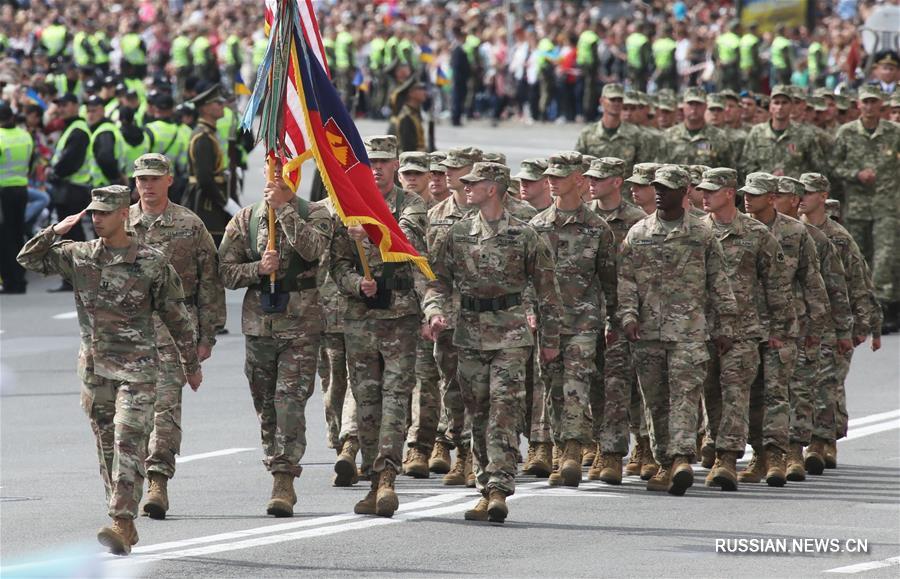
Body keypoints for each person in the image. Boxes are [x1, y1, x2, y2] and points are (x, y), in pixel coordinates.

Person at [17, 185, 201, 555]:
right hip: (95, 370)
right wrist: (55, 231)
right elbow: (27, 259)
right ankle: (125, 519)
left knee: (127, 438)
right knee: (107, 449)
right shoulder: (81, 256)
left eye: (104, 213)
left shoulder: (151, 261)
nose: (97, 219)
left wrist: (190, 363)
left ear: (124, 215)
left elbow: (176, 317)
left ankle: (120, 519)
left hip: (138, 369)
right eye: (94, 213)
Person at [426, 161, 562, 523]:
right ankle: (484, 487)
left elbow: (548, 292)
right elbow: (436, 280)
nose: (466, 187)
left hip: (511, 333)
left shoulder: (524, 234)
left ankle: (500, 488)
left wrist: (549, 340)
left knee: (504, 409)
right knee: (478, 412)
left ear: (494, 189)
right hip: (469, 333)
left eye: (475, 182)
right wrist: (435, 311)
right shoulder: (456, 234)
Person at [219, 159, 332, 516]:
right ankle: (273, 458)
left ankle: (284, 476)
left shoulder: (315, 214)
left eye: (284, 175)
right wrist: (257, 269)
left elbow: (313, 250)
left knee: (290, 401)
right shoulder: (246, 220)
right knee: (266, 403)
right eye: (271, 175)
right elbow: (225, 271)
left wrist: (284, 210)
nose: (276, 180)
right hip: (259, 324)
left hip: (301, 324)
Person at [617, 165, 738, 496]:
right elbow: (625, 280)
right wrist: (627, 316)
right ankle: (663, 461)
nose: (659, 192)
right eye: (657, 186)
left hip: (689, 332)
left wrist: (725, 324)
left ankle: (681, 457)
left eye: (667, 188)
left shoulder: (700, 234)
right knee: (654, 402)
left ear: (685, 192)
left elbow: (719, 282)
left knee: (684, 397)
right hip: (648, 335)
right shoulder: (638, 233)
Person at [329, 135, 428, 518]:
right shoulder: (345, 209)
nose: (378, 168)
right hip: (360, 318)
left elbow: (408, 241)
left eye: (385, 161)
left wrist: (369, 231)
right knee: (367, 402)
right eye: (371, 162)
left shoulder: (411, 204)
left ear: (396, 165)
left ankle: (388, 475)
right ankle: (373, 477)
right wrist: (357, 283)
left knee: (395, 399)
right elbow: (337, 265)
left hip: (399, 317)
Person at [126, 154, 225, 519]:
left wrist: (207, 336)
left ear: (169, 180)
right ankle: (127, 482)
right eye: (141, 179)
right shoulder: (121, 222)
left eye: (154, 178)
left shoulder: (189, 224)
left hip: (173, 331)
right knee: (130, 415)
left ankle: (157, 481)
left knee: (165, 409)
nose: (147, 185)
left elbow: (210, 283)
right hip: (128, 334)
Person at [697, 168, 794, 490]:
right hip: (703, 330)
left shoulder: (756, 233)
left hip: (743, 330)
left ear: (729, 193)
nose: (704, 196)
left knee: (736, 394)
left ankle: (727, 458)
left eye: (711, 191)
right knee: (711, 396)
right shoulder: (696, 231)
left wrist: (780, 329)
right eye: (702, 191)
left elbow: (777, 283)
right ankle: (716, 443)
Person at [529, 152, 616, 488]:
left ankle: (572, 452)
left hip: (583, 321)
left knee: (575, 386)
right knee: (552, 388)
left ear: (579, 180)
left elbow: (609, 280)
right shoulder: (536, 227)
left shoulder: (597, 229)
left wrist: (613, 320)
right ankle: (560, 447)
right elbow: (524, 279)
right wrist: (528, 312)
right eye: (550, 175)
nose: (552, 181)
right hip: (546, 324)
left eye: (560, 176)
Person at [739, 172, 828, 487]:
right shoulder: (739, 229)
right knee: (752, 395)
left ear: (773, 197)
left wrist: (817, 327)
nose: (748, 198)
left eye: (756, 194)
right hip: (746, 326)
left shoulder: (795, 232)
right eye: (745, 193)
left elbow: (812, 281)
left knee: (782, 393)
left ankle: (784, 454)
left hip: (786, 325)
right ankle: (759, 455)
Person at [798, 172, 881, 470]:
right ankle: (808, 439)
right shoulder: (793, 231)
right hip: (801, 321)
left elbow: (858, 283)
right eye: (799, 192)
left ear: (822, 196)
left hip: (833, 322)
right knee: (804, 384)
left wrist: (861, 325)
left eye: (808, 192)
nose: (802, 198)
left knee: (827, 383)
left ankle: (823, 442)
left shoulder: (839, 238)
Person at [583, 157, 648, 483]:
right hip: (586, 314)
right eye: (590, 177)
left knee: (620, 385)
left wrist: (627, 313)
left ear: (617, 182)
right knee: (594, 386)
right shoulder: (584, 217)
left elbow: (637, 274)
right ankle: (598, 444)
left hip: (620, 312)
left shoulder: (637, 221)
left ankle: (617, 452)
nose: (592, 182)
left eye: (600, 178)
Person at [428, 147, 483, 485]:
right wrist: (431, 310)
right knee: (453, 389)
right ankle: (461, 452)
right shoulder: (434, 215)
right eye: (446, 167)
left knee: (483, 390)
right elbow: (428, 271)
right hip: (449, 318)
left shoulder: (496, 213)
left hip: (485, 319)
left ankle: (479, 455)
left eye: (456, 167)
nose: (447, 173)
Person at [831, 85, 900, 333]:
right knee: (859, 258)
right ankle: (862, 310)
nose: (869, 106)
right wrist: (856, 174)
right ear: (859, 104)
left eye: (874, 102)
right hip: (858, 206)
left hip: (887, 205)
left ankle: (883, 309)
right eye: (865, 102)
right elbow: (834, 166)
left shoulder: (894, 132)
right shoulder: (847, 132)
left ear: (881, 104)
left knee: (885, 256)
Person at [741, 85, 826, 178]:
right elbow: (745, 166)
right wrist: (767, 175)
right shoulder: (757, 133)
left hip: (795, 190)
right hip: (764, 190)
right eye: (776, 103)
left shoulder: (805, 134)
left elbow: (818, 169)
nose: (780, 107)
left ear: (792, 106)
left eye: (784, 103)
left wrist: (793, 176)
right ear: (770, 107)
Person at [46, 93, 92, 260]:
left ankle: (78, 274)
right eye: (60, 105)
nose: (61, 109)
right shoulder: (71, 127)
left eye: (65, 105)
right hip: (70, 188)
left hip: (73, 188)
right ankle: (74, 275)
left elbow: (71, 161)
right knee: (70, 234)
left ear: (75, 106)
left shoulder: (78, 129)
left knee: (72, 235)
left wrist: (54, 172)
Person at [184, 84, 230, 246]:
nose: (222, 105)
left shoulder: (209, 133)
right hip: (205, 204)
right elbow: (204, 178)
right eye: (218, 103)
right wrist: (225, 203)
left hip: (211, 201)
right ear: (205, 109)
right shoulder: (202, 137)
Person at [0, 101, 35, 294]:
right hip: (22, 190)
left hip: (3, 192)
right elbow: (31, 162)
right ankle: (20, 279)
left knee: (4, 238)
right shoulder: (25, 135)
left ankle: (11, 281)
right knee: (18, 234)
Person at [575, 83, 647, 176]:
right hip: (594, 188)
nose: (616, 103)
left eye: (619, 100)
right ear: (602, 101)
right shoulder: (588, 133)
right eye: (612, 99)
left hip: (624, 189)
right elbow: (577, 166)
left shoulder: (635, 134)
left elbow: (642, 170)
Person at [663, 87, 733, 168]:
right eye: (690, 103)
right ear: (683, 106)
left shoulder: (720, 137)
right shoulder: (668, 136)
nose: (694, 108)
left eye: (698, 104)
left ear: (705, 106)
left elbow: (729, 171)